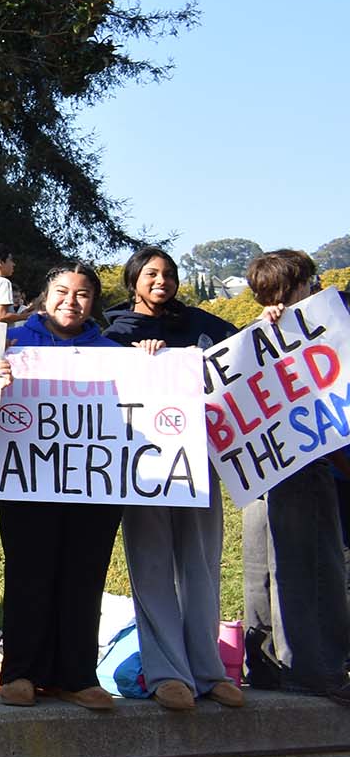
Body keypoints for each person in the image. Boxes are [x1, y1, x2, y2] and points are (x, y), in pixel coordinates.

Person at [102, 246, 245, 712]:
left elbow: (250, 351)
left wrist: (277, 315)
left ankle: (210, 671)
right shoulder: (112, 328)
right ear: (133, 280)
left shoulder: (201, 323)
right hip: (139, 467)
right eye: (150, 274)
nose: (160, 281)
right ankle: (167, 674)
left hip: (197, 463)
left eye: (168, 274)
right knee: (152, 567)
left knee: (201, 565)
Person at [0, 262, 123, 712]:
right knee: (29, 573)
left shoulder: (114, 352)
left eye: (83, 293)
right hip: (28, 475)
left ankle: (77, 675)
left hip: (95, 482)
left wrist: (154, 360)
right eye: (62, 292)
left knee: (84, 575)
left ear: (94, 302)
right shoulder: (11, 343)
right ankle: (20, 673)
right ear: (44, 297)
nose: (72, 301)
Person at [238, 249, 350, 706]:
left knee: (263, 569)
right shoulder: (309, 330)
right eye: (311, 279)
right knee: (315, 566)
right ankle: (317, 670)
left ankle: (263, 664)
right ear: (297, 286)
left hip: (259, 472)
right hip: (304, 466)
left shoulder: (251, 338)